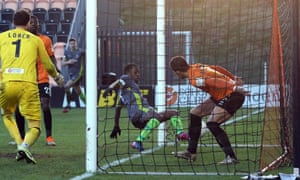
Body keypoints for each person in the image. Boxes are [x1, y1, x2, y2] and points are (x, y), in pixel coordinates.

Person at [0, 9, 64, 164]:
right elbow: (48, 64)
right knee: (35, 125)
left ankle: (19, 142)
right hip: (28, 84)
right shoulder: (36, 40)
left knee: (7, 116)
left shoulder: (1, 37)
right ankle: (24, 145)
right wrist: (57, 76)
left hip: (7, 83)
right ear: (28, 22)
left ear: (12, 22)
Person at [169, 56, 248, 164]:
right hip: (221, 95)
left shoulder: (194, 80)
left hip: (233, 95)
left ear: (177, 72)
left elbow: (212, 81)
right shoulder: (197, 66)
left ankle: (231, 157)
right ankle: (190, 152)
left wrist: (233, 87)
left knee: (212, 123)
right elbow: (217, 68)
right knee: (195, 113)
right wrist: (232, 77)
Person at [103, 63, 189, 152]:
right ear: (128, 73)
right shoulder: (126, 78)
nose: (138, 74)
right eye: (135, 72)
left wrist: (116, 125)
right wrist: (109, 88)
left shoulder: (123, 93)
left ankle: (180, 134)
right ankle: (138, 141)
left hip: (139, 118)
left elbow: (118, 109)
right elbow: (119, 81)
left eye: (138, 72)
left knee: (173, 113)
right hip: (139, 114)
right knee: (156, 116)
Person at [14, 15, 59, 146]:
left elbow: (51, 57)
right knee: (18, 109)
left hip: (42, 77)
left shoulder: (45, 40)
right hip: (25, 78)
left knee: (45, 105)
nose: (34, 24)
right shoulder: (21, 39)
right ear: (27, 24)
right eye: (31, 22)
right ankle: (21, 138)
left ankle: (49, 137)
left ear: (39, 25)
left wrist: (56, 71)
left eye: (36, 23)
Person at [61, 38, 86, 113]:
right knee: (78, 91)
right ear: (69, 44)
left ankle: (68, 105)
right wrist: (69, 62)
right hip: (71, 74)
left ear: (76, 44)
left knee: (66, 86)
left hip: (79, 73)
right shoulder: (66, 52)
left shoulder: (80, 51)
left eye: (74, 43)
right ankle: (88, 104)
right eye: (71, 44)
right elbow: (63, 63)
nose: (72, 45)